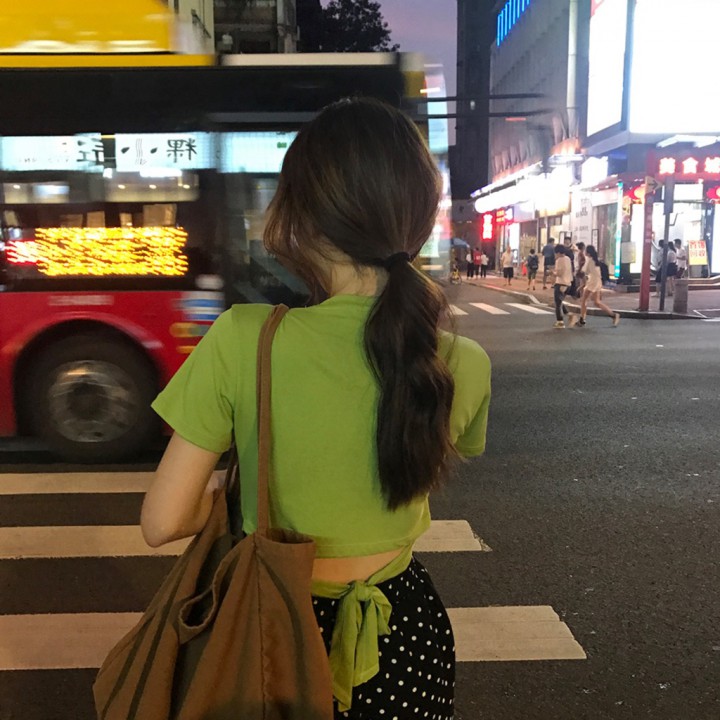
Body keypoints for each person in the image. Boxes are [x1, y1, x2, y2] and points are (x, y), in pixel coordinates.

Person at [140, 97, 491, 719]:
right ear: (418, 218)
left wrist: (230, 495)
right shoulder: (460, 361)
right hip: (407, 640)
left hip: (272, 629)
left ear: (299, 215)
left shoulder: (245, 339)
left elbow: (162, 522)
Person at [572, 244, 619, 328]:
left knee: (584, 300)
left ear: (588, 253)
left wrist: (581, 283)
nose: (585, 252)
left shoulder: (589, 260)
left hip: (592, 282)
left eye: (586, 251)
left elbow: (583, 271)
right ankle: (613, 315)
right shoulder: (595, 261)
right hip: (597, 281)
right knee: (596, 302)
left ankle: (582, 320)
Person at [552, 244, 573, 328]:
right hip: (568, 283)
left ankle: (560, 321)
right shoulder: (568, 258)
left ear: (558, 252)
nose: (555, 255)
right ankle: (569, 314)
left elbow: (559, 273)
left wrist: (552, 272)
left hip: (560, 283)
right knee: (560, 301)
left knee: (557, 303)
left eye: (556, 253)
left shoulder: (559, 260)